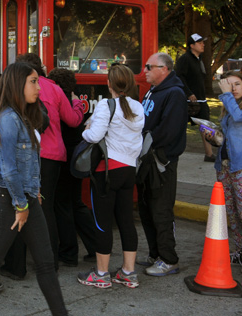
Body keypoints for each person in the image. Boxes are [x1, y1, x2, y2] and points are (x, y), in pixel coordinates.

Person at [0, 61, 68, 316]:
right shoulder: (8, 120)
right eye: (33, 81)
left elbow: (28, 164)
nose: (38, 86)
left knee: (46, 264)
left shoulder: (24, 115)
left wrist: (32, 191)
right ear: (18, 84)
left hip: (25, 198)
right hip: (9, 200)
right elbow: (8, 169)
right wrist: (22, 204)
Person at [77, 64, 144, 288]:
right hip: (129, 170)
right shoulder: (138, 106)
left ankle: (102, 274)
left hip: (107, 172)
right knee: (126, 222)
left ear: (109, 84)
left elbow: (94, 136)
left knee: (102, 223)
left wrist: (85, 129)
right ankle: (128, 272)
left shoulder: (107, 104)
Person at [15, 53, 83, 271]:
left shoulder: (20, 87)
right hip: (54, 157)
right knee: (50, 207)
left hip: (30, 155)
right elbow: (73, 120)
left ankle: (26, 260)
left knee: (28, 205)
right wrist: (79, 104)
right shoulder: (54, 88)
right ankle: (56, 258)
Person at [201, 71, 242, 274]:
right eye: (229, 85)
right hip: (226, 164)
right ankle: (241, 250)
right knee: (231, 210)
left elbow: (239, 117)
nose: (233, 89)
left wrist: (226, 94)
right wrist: (212, 136)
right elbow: (228, 136)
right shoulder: (228, 108)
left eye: (237, 84)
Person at [138, 52, 188, 276]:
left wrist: (145, 142)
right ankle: (155, 253)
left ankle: (169, 259)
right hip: (147, 159)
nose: (145, 70)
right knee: (147, 208)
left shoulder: (175, 93)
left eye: (149, 66)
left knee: (161, 209)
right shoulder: (153, 91)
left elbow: (168, 130)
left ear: (164, 69)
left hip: (162, 161)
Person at [47, 67, 97, 268]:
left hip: (63, 157)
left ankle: (68, 252)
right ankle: (96, 246)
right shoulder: (74, 101)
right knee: (77, 203)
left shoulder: (57, 101)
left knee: (62, 205)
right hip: (76, 156)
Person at [175, 33, 215, 161]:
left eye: (203, 42)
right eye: (200, 42)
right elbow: (179, 77)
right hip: (188, 101)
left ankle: (209, 154)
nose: (203, 44)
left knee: (206, 126)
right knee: (179, 127)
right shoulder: (185, 59)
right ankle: (172, 151)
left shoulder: (199, 59)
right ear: (191, 45)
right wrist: (188, 93)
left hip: (201, 100)